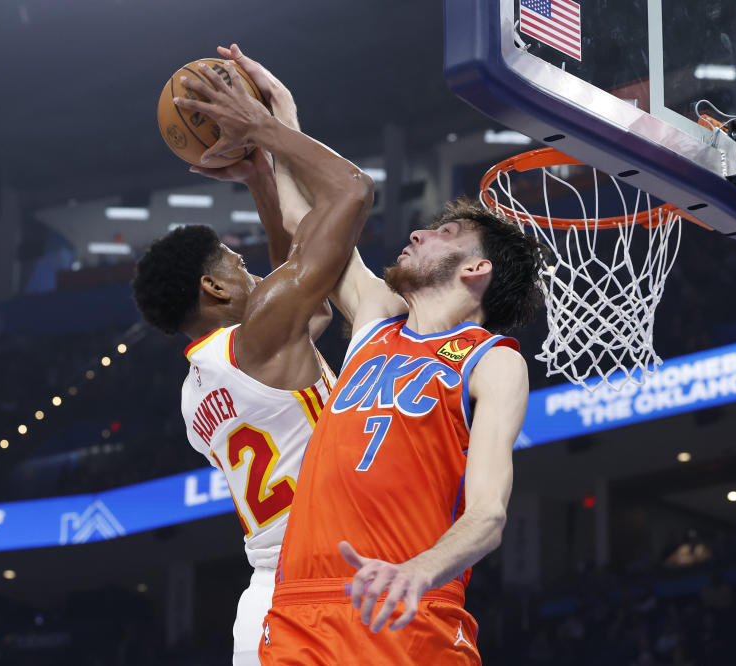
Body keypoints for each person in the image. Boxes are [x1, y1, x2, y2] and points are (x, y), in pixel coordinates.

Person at [210, 45, 545, 665]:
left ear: (476, 268)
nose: (418, 232)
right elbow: (312, 227)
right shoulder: (375, 319)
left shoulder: (493, 361)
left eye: (445, 233)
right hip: (299, 612)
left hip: (402, 610)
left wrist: (418, 572)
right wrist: (280, 126)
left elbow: (488, 516)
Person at [132, 55, 374, 666]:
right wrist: (262, 127)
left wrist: (263, 180)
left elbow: (299, 302)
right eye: (238, 268)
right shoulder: (259, 339)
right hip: (318, 588)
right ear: (214, 290)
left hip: (273, 596)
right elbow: (352, 189)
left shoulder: (196, 395)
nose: (256, 274)